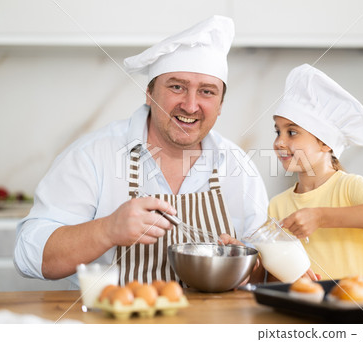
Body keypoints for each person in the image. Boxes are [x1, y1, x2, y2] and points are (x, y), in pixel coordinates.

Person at [14, 15, 268, 288]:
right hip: (112, 322)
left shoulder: (238, 166)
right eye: (177, 87)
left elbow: (262, 273)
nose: (191, 105)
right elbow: (29, 256)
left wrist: (244, 263)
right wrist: (107, 230)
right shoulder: (92, 155)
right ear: (149, 93)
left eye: (207, 92)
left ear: (220, 106)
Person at [267, 64, 363, 281]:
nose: (279, 142)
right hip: (313, 309)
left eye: (292, 132)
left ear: (325, 143)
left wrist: (320, 217)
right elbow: (271, 275)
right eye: (278, 131)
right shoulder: (277, 205)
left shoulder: (348, 187)